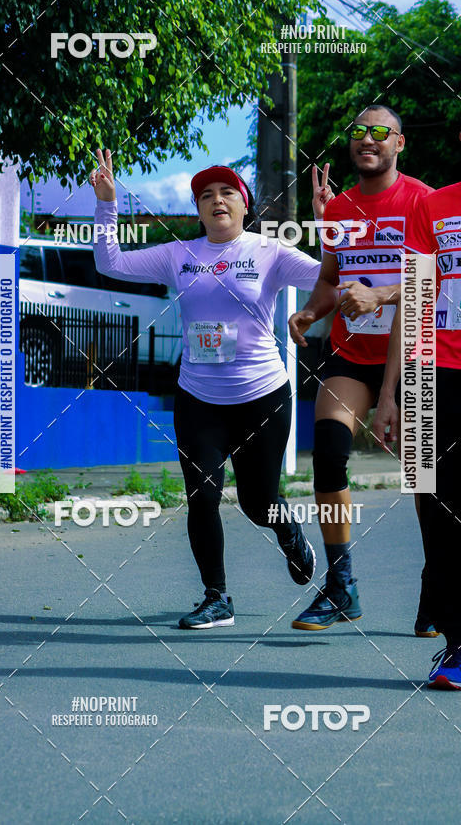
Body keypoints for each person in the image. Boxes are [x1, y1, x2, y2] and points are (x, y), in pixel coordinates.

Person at [90, 149, 320, 628]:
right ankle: (217, 597)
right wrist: (107, 203)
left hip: (262, 396)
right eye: (206, 195)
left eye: (227, 192)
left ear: (244, 204)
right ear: (198, 209)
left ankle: (289, 533)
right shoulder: (178, 255)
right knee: (203, 496)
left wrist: (328, 226)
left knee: (259, 503)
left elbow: (328, 276)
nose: (217, 200)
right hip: (199, 400)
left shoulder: (269, 252)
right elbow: (110, 263)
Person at [374, 88, 461, 689]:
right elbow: (415, 295)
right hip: (432, 383)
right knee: (438, 514)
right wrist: (390, 394)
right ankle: (456, 646)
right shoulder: (433, 206)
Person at [287, 105, 434, 633]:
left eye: (379, 132)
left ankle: (438, 582)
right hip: (351, 356)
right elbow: (331, 279)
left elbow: (432, 279)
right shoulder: (340, 209)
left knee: (424, 477)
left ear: (399, 143)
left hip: (415, 354)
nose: (367, 140)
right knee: (328, 457)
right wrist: (311, 310)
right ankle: (341, 584)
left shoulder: (424, 201)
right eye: (358, 132)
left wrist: (380, 295)